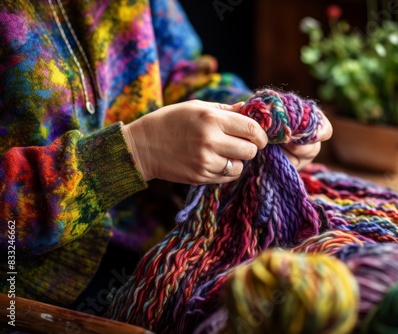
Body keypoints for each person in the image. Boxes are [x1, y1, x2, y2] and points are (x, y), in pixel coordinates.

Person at [0, 0, 332, 311]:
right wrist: (136, 152)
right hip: (27, 301)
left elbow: (182, 74)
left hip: (164, 247)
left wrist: (247, 117)